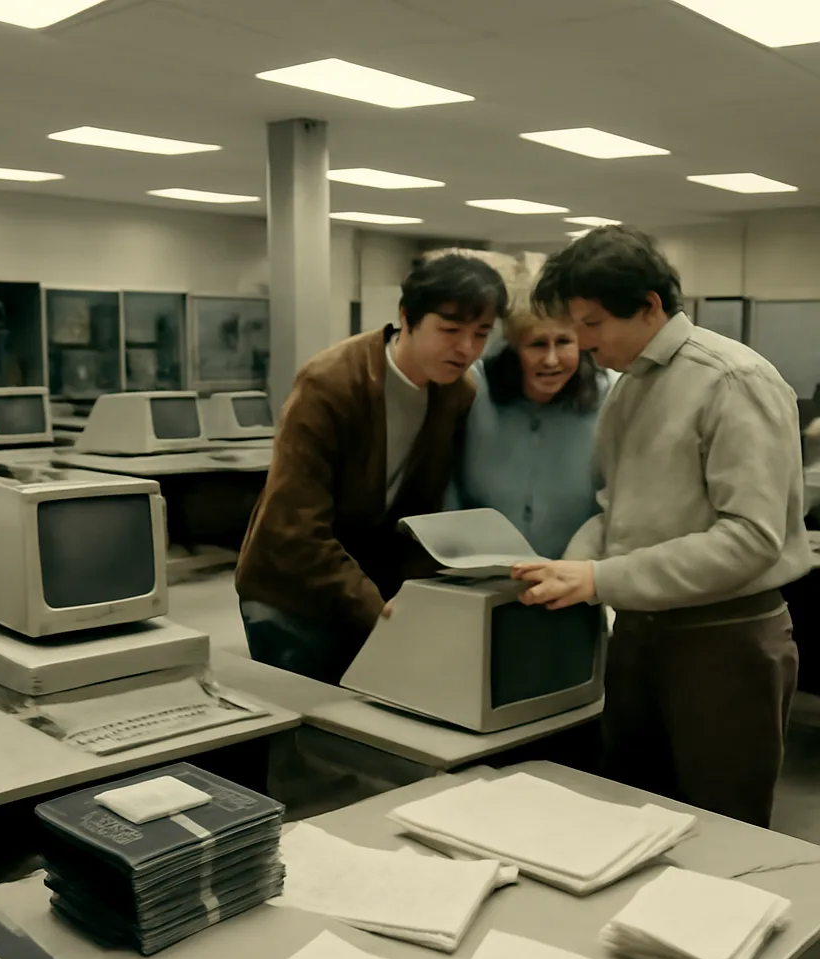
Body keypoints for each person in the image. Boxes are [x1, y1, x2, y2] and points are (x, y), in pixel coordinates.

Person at [512, 225, 811, 827]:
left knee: (722, 830)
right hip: (642, 638)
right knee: (634, 816)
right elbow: (614, 509)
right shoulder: (630, 387)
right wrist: (569, 569)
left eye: (593, 324)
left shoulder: (731, 380)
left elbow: (752, 538)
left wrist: (598, 578)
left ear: (650, 306)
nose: (581, 342)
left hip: (724, 642)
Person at [236, 251, 508, 684]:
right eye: (450, 330)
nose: (467, 348)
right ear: (407, 316)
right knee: (305, 723)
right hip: (291, 589)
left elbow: (424, 511)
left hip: (371, 586)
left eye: (481, 334)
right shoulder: (331, 382)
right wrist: (376, 608)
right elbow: (295, 529)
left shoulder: (456, 394)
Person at [446, 294, 613, 558]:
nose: (551, 359)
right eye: (537, 344)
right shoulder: (472, 390)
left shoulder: (612, 398)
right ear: (512, 349)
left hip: (574, 577)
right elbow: (446, 484)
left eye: (564, 342)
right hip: (477, 573)